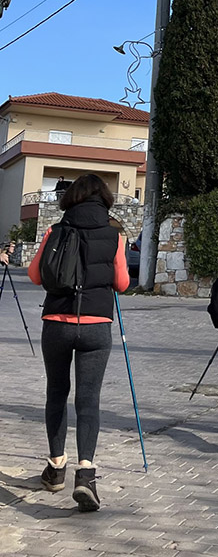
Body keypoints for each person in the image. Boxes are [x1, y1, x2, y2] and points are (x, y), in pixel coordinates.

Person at [28, 174, 129, 512]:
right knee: (89, 399)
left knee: (56, 392)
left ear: (71, 199)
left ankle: (56, 467)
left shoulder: (55, 231)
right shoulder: (114, 235)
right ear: (103, 199)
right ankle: (85, 474)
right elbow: (123, 282)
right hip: (97, 325)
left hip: (56, 322)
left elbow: (35, 275)